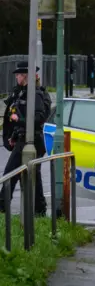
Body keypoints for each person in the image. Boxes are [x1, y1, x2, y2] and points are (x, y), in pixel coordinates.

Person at [0, 61, 50, 215]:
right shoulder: (21, 92)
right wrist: (13, 135)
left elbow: (37, 119)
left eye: (19, 75)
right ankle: (39, 210)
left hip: (31, 140)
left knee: (10, 174)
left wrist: (17, 120)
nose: (16, 77)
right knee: (31, 175)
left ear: (25, 76)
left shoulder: (35, 94)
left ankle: (2, 208)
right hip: (22, 139)